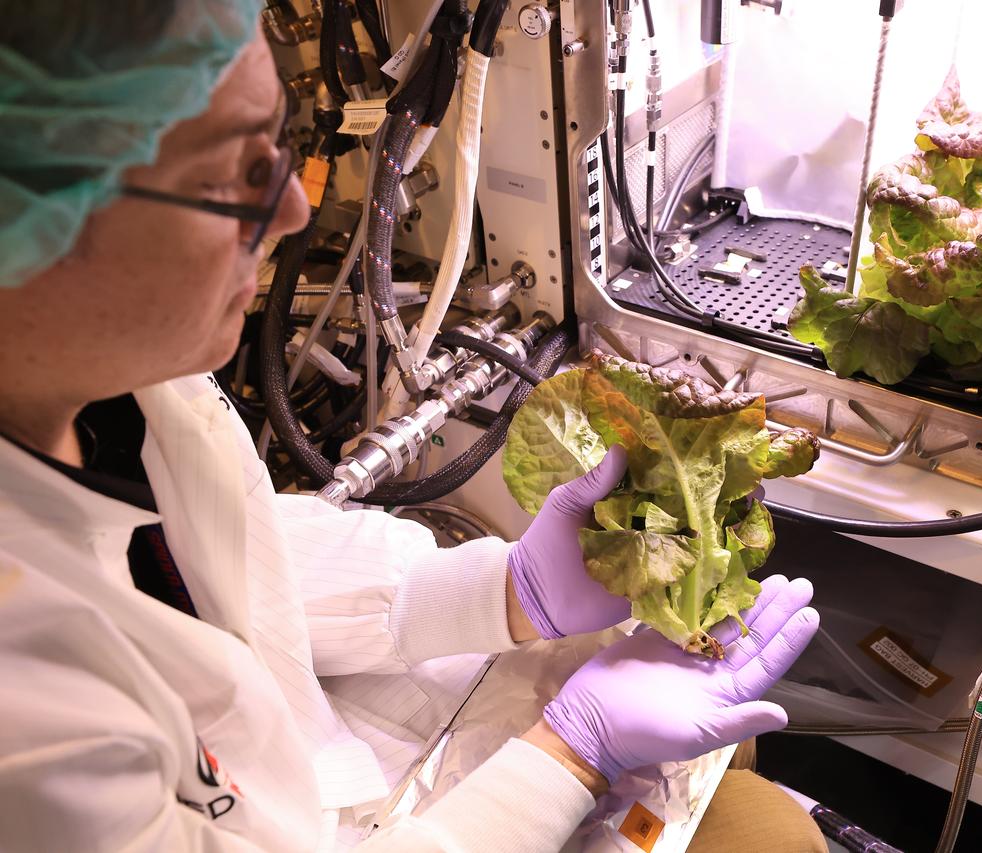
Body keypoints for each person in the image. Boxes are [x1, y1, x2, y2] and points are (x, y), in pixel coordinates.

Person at [0, 2, 824, 851]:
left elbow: (232, 556)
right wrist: (572, 755)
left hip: (316, 756)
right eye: (232, 175)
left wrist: (500, 594)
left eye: (278, 148)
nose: (291, 212)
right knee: (770, 834)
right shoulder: (26, 725)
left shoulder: (129, 378)